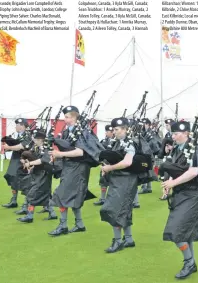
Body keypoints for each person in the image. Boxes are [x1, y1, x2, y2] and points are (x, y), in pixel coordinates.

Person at [161, 121, 198, 280]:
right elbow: (176, 169)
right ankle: (191, 262)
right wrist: (169, 183)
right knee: (185, 231)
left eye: (177, 134)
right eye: (172, 134)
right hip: (181, 193)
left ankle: (189, 262)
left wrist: (172, 182)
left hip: (193, 193)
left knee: (177, 231)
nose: (173, 137)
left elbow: (193, 172)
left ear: (186, 133)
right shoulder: (177, 149)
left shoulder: (195, 149)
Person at [47, 106, 101, 236]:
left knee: (62, 195)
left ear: (74, 117)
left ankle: (63, 226)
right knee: (74, 196)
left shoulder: (82, 132)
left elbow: (80, 151)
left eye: (67, 117)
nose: (64, 119)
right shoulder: (68, 132)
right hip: (69, 167)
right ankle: (79, 224)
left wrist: (60, 154)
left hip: (78, 168)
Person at [100, 117, 138, 253]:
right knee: (124, 210)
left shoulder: (130, 144)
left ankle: (117, 241)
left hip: (126, 181)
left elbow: (127, 162)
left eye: (116, 129)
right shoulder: (117, 143)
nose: (114, 131)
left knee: (114, 210)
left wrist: (110, 168)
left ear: (125, 129)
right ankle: (128, 239)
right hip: (118, 180)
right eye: (113, 129)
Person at [16, 129, 57, 223]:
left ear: (40, 140)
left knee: (33, 193)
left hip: (44, 173)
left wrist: (29, 163)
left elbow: (43, 160)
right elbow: (30, 155)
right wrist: (24, 160)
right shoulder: (36, 147)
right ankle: (52, 213)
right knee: (45, 195)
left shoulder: (47, 148)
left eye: (35, 138)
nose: (34, 140)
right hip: (37, 173)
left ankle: (29, 216)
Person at [2, 118, 32, 210]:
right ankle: (14, 200)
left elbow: (21, 146)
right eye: (16, 125)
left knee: (25, 181)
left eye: (18, 125)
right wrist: (8, 147)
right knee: (11, 177)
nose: (16, 127)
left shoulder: (28, 135)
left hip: (24, 161)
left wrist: (9, 146)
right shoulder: (18, 135)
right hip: (15, 159)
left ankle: (26, 204)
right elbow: (15, 146)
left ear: (23, 126)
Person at [94, 125, 114, 206]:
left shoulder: (116, 142)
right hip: (104, 164)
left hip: (112, 165)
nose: (106, 133)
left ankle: (112, 200)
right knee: (103, 182)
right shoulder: (104, 141)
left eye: (107, 131)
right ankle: (102, 199)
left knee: (113, 183)